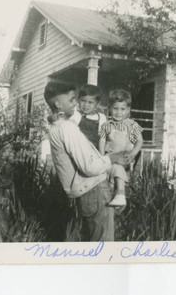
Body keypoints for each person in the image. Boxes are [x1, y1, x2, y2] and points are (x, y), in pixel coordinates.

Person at [44, 82, 129, 242]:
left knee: (89, 241)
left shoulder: (55, 127)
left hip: (83, 191)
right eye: (71, 100)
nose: (76, 103)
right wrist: (112, 158)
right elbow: (89, 167)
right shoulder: (67, 128)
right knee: (103, 245)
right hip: (94, 189)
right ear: (58, 104)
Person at [99, 89, 143, 207]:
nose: (119, 112)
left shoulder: (132, 125)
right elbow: (102, 142)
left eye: (122, 109)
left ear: (128, 110)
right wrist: (102, 158)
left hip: (125, 157)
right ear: (109, 108)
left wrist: (133, 153)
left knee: (118, 169)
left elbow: (139, 141)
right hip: (110, 157)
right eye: (115, 108)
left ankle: (120, 195)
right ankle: (114, 199)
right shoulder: (106, 125)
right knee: (110, 177)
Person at [69, 84, 107, 149]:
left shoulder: (101, 117)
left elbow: (102, 139)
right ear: (78, 100)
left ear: (97, 104)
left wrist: (101, 156)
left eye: (90, 102)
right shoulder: (76, 115)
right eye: (83, 101)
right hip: (78, 150)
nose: (86, 105)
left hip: (94, 151)